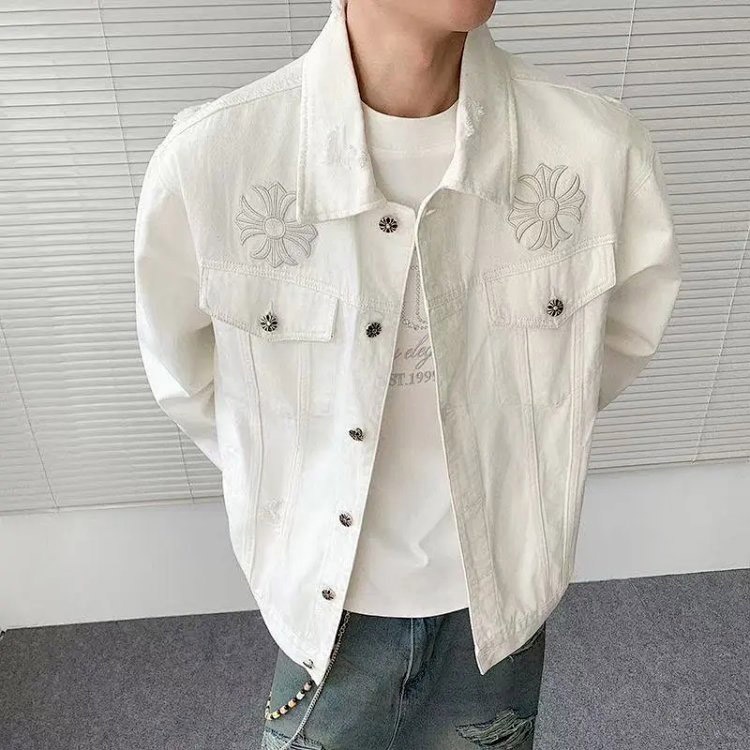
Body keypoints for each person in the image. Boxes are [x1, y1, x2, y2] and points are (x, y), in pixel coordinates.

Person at [133, 0, 682, 748]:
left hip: (499, 602)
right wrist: (292, 480)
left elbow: (614, 343)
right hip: (321, 601)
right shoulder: (215, 161)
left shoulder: (595, 152)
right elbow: (188, 374)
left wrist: (525, 439)